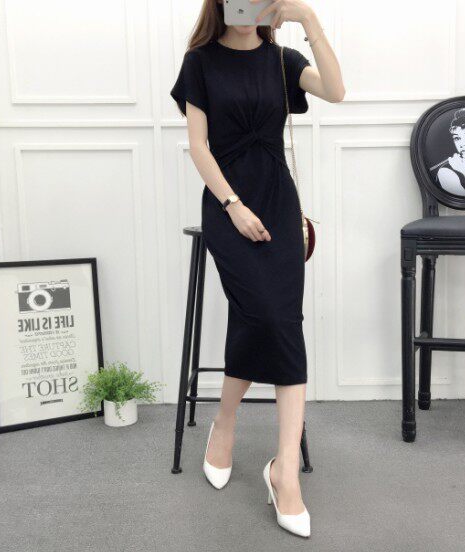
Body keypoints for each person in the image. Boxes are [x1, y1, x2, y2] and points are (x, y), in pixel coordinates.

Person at [170, 0, 344, 537]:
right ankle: (224, 424)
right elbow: (198, 146)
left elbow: (336, 91)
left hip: (278, 202)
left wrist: (308, 18)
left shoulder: (282, 60)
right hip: (229, 204)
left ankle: (283, 471)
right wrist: (233, 206)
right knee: (262, 314)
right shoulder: (200, 62)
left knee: (280, 321)